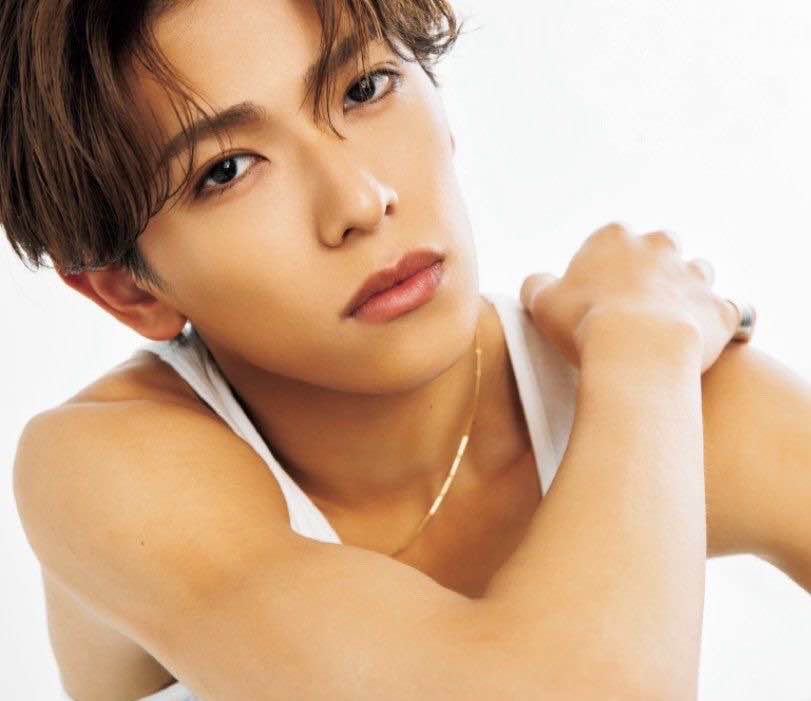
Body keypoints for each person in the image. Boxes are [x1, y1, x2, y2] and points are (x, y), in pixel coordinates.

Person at [3, 1, 807, 699]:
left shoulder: (666, 401)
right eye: (227, 170)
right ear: (129, 290)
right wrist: (641, 348)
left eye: (364, 88)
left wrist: (644, 362)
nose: (359, 199)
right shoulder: (105, 467)